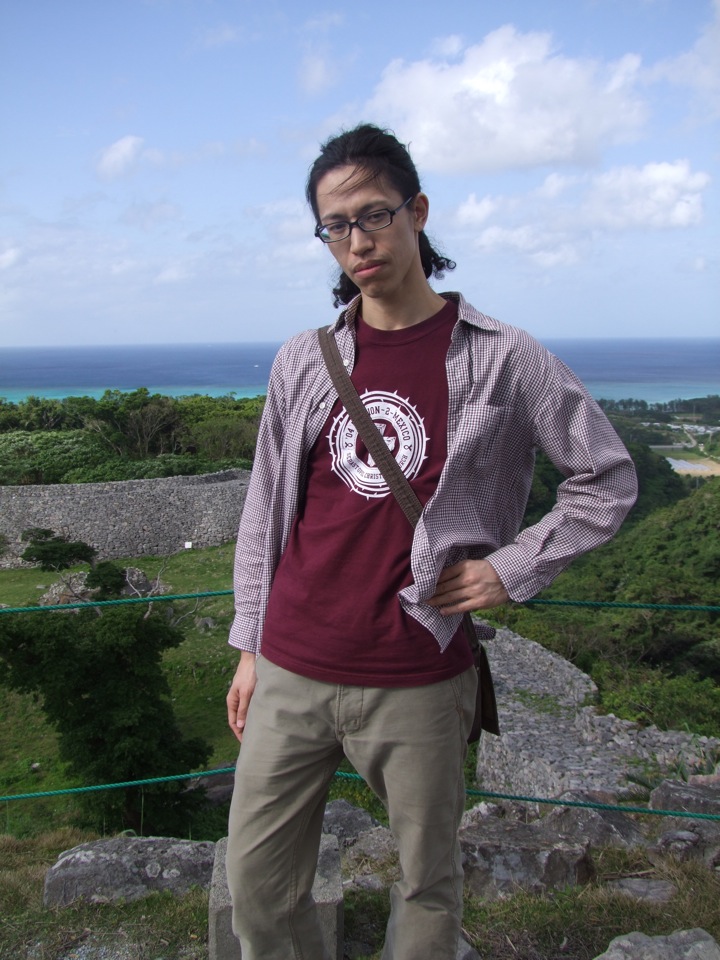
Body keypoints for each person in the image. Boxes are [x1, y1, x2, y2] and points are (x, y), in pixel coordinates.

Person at [225, 123, 637, 960]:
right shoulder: (304, 360)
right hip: (293, 663)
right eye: (335, 225)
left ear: (416, 212)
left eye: (374, 214)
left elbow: (607, 477)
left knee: (427, 887)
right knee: (257, 887)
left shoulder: (504, 357)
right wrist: (248, 646)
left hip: (417, 672)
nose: (357, 241)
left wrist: (511, 568)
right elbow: (266, 506)